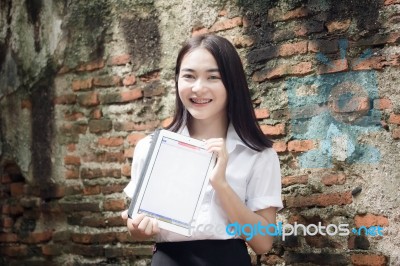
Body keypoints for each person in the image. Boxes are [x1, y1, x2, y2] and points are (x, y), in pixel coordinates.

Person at [121, 34, 283, 265]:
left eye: (212, 77)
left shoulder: (258, 155)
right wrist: (137, 228)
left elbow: (263, 243)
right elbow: (135, 226)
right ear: (177, 80)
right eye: (189, 76)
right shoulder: (150, 148)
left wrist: (222, 185)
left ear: (231, 83)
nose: (198, 88)